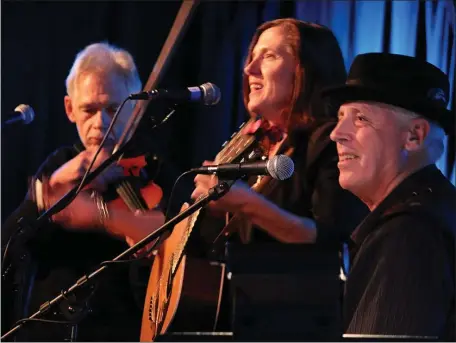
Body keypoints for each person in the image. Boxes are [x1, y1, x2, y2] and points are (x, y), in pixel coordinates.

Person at [188, 18, 369, 333]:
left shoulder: (332, 143)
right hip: (239, 316)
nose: (250, 69)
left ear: (305, 69)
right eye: (252, 57)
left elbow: (327, 241)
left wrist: (247, 204)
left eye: (269, 56)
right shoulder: (248, 144)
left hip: (298, 324)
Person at [1, 43, 169, 341]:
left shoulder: (155, 170)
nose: (100, 122)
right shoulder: (59, 166)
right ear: (69, 109)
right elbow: (9, 248)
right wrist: (50, 190)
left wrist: (109, 217)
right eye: (89, 110)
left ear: (136, 110)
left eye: (113, 109)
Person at [322, 52, 455, 339]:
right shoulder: (434, 210)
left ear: (414, 136)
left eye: (360, 119)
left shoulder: (410, 232)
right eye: (340, 117)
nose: (336, 134)